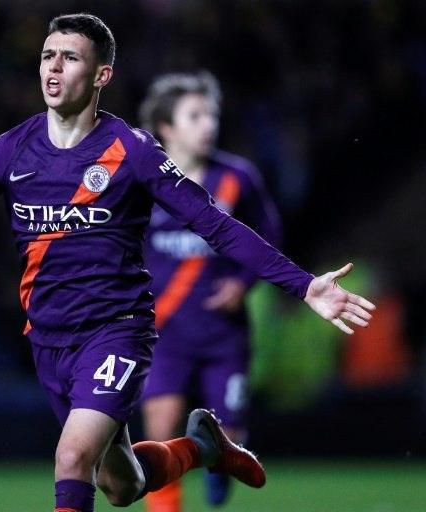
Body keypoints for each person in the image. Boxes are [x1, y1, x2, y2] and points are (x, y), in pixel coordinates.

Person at [0, 13, 375, 512]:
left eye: (69, 57)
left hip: (118, 330)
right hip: (49, 339)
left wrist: (302, 286)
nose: (53, 67)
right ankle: (200, 447)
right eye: (47, 56)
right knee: (122, 485)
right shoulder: (8, 150)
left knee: (69, 462)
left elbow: (214, 223)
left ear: (102, 74)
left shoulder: (131, 151)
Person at [138, 71, 282, 510]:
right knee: (159, 434)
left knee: (230, 437)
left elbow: (268, 236)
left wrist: (243, 283)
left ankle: (221, 470)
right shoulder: (144, 182)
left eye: (212, 115)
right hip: (164, 332)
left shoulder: (238, 178)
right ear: (167, 127)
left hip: (224, 332)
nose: (208, 125)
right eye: (195, 115)